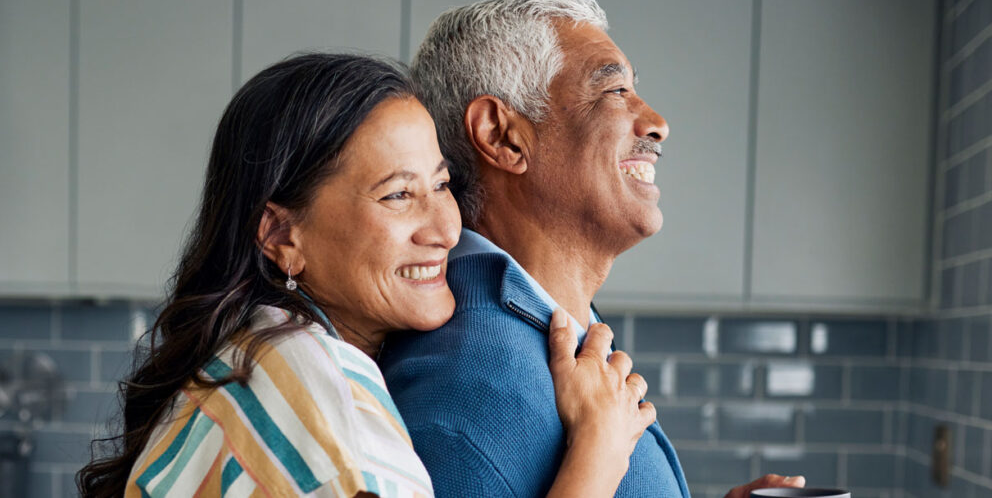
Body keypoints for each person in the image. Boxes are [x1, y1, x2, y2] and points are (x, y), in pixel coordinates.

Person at [76, 54, 658, 497]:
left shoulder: (258, 353)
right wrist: (598, 453)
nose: (446, 228)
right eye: (398, 195)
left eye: (441, 185)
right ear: (281, 236)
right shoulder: (328, 411)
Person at [378, 0, 807, 498]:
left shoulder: (549, 329)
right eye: (615, 90)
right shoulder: (463, 396)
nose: (658, 124)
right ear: (502, 136)